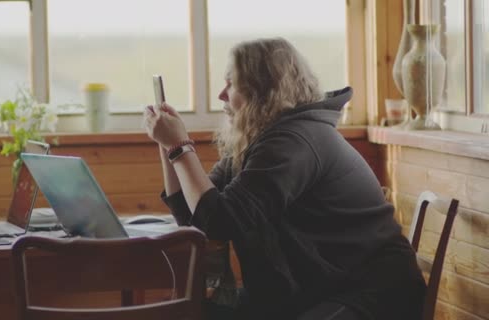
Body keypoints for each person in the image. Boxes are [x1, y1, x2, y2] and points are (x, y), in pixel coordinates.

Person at [143, 37, 426, 320]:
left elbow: (219, 221)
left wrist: (180, 146)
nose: (221, 95)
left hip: (370, 293)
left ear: (262, 91)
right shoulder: (260, 141)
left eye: (231, 84)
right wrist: (169, 146)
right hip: (313, 292)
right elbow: (194, 216)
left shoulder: (294, 141)